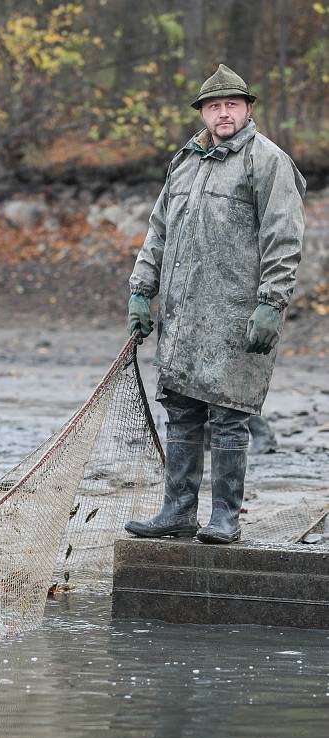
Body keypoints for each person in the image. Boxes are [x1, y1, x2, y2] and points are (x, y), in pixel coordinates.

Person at [125, 64, 306, 545]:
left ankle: (225, 517)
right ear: (203, 113)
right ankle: (177, 512)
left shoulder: (268, 161)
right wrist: (142, 292)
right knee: (182, 411)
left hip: (237, 316)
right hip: (183, 317)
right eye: (213, 106)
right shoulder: (184, 161)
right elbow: (157, 232)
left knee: (229, 416)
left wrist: (272, 303)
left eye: (231, 105)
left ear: (247, 109)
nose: (222, 113)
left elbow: (284, 240)